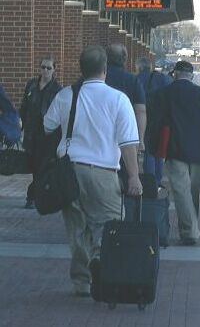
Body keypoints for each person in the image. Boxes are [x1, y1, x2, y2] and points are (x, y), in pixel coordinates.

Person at [44, 45, 142, 297]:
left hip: (69, 171)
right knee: (109, 224)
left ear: (81, 69)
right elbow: (128, 142)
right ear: (105, 70)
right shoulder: (118, 99)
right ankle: (102, 264)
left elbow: (47, 126)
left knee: (77, 228)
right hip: (103, 172)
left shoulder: (67, 95)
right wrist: (133, 176)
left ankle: (81, 282)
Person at [162, 60, 200, 245]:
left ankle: (189, 229)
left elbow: (157, 123)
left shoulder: (164, 93)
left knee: (181, 192)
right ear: (192, 75)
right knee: (193, 192)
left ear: (175, 74)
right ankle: (190, 230)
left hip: (174, 149)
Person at [19, 57, 62, 209]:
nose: (45, 71)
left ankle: (32, 197)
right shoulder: (31, 85)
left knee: (40, 166)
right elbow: (24, 107)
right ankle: (36, 195)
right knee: (33, 166)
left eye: (49, 68)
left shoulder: (57, 90)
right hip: (31, 134)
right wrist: (20, 127)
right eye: (43, 67)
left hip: (47, 135)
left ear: (54, 70)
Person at [105, 43, 146, 173]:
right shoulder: (132, 81)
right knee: (127, 175)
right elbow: (140, 111)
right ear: (125, 59)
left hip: (99, 135)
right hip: (126, 137)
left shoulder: (97, 78)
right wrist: (140, 139)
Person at [135, 56, 172, 185]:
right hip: (161, 120)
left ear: (138, 68)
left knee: (148, 151)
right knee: (159, 151)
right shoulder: (162, 78)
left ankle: (150, 180)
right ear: (150, 67)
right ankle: (158, 179)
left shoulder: (136, 79)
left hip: (143, 120)